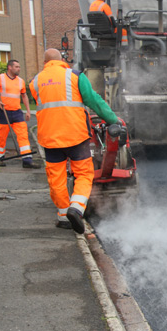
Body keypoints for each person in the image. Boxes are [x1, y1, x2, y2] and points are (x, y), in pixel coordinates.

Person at [29, 48, 118, 234]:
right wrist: (113, 120)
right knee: (84, 174)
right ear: (62, 59)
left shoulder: (35, 82)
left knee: (57, 178)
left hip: (50, 138)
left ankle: (63, 217)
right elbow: (94, 100)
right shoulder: (75, 76)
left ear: (45, 62)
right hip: (75, 135)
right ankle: (76, 208)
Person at [0, 60, 39, 168]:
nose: (19, 68)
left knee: (23, 135)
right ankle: (0, 158)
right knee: (1, 137)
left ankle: (27, 160)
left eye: (19, 67)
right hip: (4, 112)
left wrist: (28, 111)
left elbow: (24, 96)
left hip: (17, 112)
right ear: (9, 67)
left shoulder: (20, 81)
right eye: (16, 67)